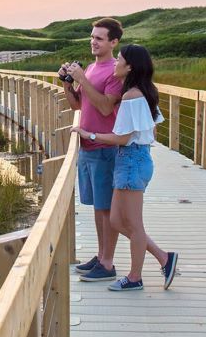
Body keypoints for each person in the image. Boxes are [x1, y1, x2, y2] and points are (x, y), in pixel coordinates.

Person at [71, 44, 178, 291]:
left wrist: (90, 135)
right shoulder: (141, 91)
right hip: (131, 159)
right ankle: (164, 257)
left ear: (129, 66)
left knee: (134, 225)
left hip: (131, 161)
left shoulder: (132, 96)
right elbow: (152, 127)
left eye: (119, 59)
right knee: (118, 221)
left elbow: (122, 138)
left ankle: (134, 277)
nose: (115, 64)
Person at [59, 18, 123, 282]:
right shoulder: (93, 68)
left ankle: (108, 264)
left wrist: (82, 79)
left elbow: (107, 107)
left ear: (114, 42)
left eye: (99, 38)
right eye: (92, 37)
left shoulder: (115, 71)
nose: (93, 42)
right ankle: (101, 255)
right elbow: (78, 106)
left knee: (106, 208)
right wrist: (67, 83)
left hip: (104, 147)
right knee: (98, 208)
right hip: (87, 146)